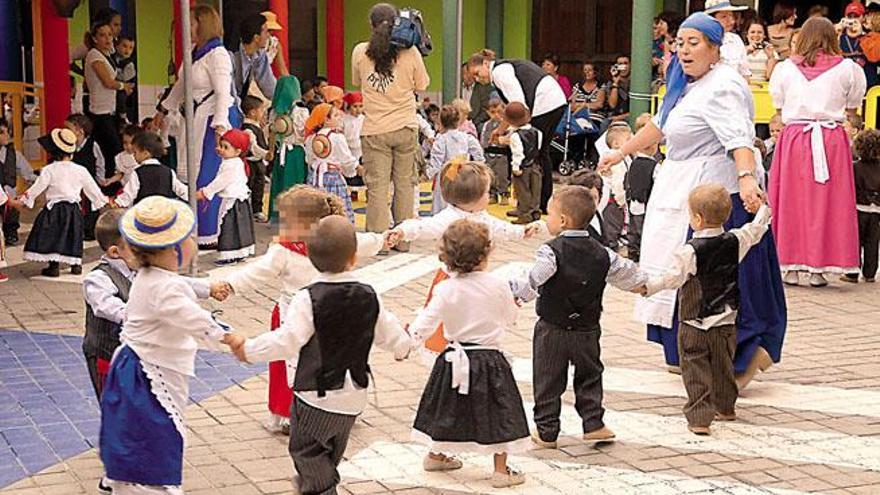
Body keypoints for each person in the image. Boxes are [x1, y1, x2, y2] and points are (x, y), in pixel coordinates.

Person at [598, 12, 786, 391]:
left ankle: (743, 356)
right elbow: (661, 124)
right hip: (680, 187)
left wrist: (747, 179)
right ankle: (683, 350)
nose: (683, 50)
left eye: (693, 42)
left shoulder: (724, 85)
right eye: (679, 42)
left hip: (715, 195)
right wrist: (621, 153)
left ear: (715, 48)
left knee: (713, 279)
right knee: (677, 271)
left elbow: (739, 138)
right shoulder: (687, 84)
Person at [224, 215, 411, 495]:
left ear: (310, 257)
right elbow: (389, 332)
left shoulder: (307, 298)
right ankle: (315, 484)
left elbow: (286, 341)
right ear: (353, 258)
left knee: (306, 452)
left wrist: (248, 349)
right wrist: (404, 346)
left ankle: (320, 488)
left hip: (315, 395)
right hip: (354, 395)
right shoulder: (370, 294)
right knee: (329, 454)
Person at [212, 187, 384, 434]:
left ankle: (333, 407)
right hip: (307, 315)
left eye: (287, 222)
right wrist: (231, 284)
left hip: (308, 313)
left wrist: (384, 239)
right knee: (296, 364)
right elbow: (257, 272)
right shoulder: (286, 249)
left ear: (310, 225)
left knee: (315, 363)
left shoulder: (326, 244)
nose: (282, 229)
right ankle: (292, 413)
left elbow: (365, 242)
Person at [99, 196, 234, 495]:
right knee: (155, 435)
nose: (195, 241)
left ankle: (122, 480)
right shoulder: (164, 285)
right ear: (175, 249)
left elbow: (185, 290)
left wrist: (209, 290)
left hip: (139, 367)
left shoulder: (153, 275)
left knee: (140, 433)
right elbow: (192, 317)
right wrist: (227, 337)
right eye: (191, 237)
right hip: (146, 373)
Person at [510, 185, 646, 450]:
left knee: (548, 378)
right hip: (587, 327)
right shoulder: (603, 252)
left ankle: (547, 431)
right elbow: (627, 273)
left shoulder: (550, 251)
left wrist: (516, 297)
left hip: (552, 327)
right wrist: (645, 286)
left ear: (562, 221)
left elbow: (535, 278)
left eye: (549, 214)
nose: (547, 219)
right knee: (590, 374)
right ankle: (594, 424)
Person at [639, 185, 772, 435]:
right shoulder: (735, 239)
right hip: (726, 320)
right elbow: (755, 231)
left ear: (697, 219)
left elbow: (672, 278)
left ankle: (700, 417)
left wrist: (648, 287)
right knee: (723, 365)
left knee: (695, 367)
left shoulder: (689, 251)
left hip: (694, 322)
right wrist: (762, 209)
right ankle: (725, 407)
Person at [409, 219, 529, 489]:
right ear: (485, 253)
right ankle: (500, 469)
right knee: (499, 410)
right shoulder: (497, 284)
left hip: (453, 357)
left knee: (446, 407)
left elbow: (425, 324)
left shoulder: (445, 288)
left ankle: (435, 453)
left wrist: (408, 342)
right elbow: (511, 317)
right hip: (489, 359)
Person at [386, 160, 539, 355]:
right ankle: (438, 347)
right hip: (453, 276)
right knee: (442, 316)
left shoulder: (482, 216)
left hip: (473, 276)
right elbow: (423, 227)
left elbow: (501, 228)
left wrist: (521, 231)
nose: (488, 196)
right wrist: (402, 231)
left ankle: (456, 343)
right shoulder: (448, 218)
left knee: (467, 314)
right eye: (486, 193)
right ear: (472, 198)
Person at [769, 17, 867, 288]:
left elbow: (779, 108)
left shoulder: (784, 69)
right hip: (830, 138)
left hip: (794, 138)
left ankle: (788, 265)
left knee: (791, 199)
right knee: (827, 202)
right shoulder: (848, 68)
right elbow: (852, 110)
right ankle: (818, 269)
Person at [154, 5, 240, 247]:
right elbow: (181, 86)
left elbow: (224, 92)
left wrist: (221, 127)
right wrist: (162, 110)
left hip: (215, 119)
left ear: (203, 25)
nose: (188, 27)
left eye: (192, 22)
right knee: (189, 171)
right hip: (196, 117)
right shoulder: (194, 51)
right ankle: (192, 226)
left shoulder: (218, 54)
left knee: (207, 176)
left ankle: (208, 233)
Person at [352, 2, 430, 239]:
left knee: (377, 187)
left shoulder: (359, 51)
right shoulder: (411, 51)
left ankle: (377, 240)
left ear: (371, 24)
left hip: (374, 129)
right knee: (405, 185)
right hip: (405, 125)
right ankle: (403, 240)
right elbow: (423, 84)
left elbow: (357, 82)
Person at [467, 48, 567, 214]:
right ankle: (537, 203)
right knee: (540, 154)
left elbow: (518, 107)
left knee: (531, 156)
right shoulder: (501, 71)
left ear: (485, 63)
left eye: (477, 73)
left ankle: (534, 205)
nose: (478, 79)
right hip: (551, 103)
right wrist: (501, 130)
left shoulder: (500, 72)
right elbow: (515, 109)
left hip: (545, 105)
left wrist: (509, 133)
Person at [17, 129, 108, 277]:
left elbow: (37, 188)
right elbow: (92, 189)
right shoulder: (80, 170)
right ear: (71, 152)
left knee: (54, 234)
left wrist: (24, 199)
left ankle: (54, 266)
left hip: (54, 209)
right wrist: (102, 201)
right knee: (75, 234)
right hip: (73, 209)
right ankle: (76, 264)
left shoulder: (49, 170)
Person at [196, 129, 256, 264]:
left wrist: (205, 192)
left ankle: (229, 255)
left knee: (229, 228)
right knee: (239, 228)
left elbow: (221, 182)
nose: (221, 149)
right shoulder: (235, 162)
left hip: (233, 201)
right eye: (221, 146)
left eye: (225, 147)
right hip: (239, 200)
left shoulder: (231, 164)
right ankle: (240, 252)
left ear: (237, 151)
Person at [84, 17, 130, 178]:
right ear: (95, 38)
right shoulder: (94, 55)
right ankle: (109, 186)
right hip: (99, 112)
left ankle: (109, 184)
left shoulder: (107, 55)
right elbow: (108, 82)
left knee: (110, 151)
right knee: (113, 151)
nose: (107, 38)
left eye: (110, 35)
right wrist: (124, 86)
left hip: (109, 111)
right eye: (102, 35)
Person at [304, 103, 358, 224]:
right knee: (337, 210)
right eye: (336, 115)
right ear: (326, 120)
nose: (340, 117)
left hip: (314, 178)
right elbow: (347, 159)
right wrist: (356, 168)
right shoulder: (337, 137)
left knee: (316, 210)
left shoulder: (311, 138)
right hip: (333, 178)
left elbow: (309, 160)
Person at [426, 106, 484, 215]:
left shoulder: (441, 140)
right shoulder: (467, 138)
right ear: (458, 121)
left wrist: (429, 173)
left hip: (446, 174)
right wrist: (478, 167)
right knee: (463, 201)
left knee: (443, 205)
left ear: (441, 122)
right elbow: (478, 153)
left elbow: (436, 161)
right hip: (463, 173)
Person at [268, 76, 309, 221]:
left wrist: (270, 151)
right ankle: (295, 216)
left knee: (280, 183)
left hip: (281, 152)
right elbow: (304, 134)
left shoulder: (274, 113)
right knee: (295, 184)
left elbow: (272, 134)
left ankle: (278, 215)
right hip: (296, 152)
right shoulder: (301, 112)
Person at [842, 128, 880, 284]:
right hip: (877, 210)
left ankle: (852, 273)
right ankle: (870, 273)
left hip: (858, 208)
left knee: (855, 242)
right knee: (873, 242)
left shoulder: (854, 167)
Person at [114, 132, 188, 208]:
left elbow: (128, 194)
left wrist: (117, 203)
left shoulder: (138, 173)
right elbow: (182, 190)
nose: (133, 155)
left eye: (135, 152)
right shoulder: (169, 172)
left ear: (146, 153)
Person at [624, 114, 658, 262]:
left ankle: (633, 252)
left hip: (633, 200)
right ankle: (643, 253)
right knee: (644, 229)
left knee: (633, 228)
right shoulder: (655, 167)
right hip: (647, 202)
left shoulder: (632, 163)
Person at [504, 102, 543, 225]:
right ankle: (535, 211)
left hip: (522, 167)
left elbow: (518, 153)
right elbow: (538, 147)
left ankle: (525, 213)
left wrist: (516, 167)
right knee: (535, 189)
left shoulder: (516, 136)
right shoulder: (538, 132)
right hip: (535, 164)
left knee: (523, 190)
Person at [0, 118, 35, 246]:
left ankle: (11, 231)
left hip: (10, 194)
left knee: (12, 211)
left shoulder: (15, 155)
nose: (6, 135)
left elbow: (28, 174)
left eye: (6, 131)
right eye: (2, 132)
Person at [233, 12, 277, 101]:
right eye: (266, 32)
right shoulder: (231, 55)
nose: (269, 36)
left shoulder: (259, 54)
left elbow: (269, 85)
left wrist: (281, 101)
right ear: (256, 38)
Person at [241, 95, 270, 223]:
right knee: (248, 186)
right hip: (250, 163)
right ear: (252, 112)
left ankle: (257, 209)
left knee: (259, 186)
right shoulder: (248, 129)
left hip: (258, 163)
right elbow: (253, 147)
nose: (263, 113)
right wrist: (265, 154)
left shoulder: (256, 126)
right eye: (261, 110)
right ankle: (246, 210)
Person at [705, 0, 751, 80]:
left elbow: (745, 73)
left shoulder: (735, 40)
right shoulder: (702, 40)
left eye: (731, 15)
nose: (731, 20)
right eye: (724, 17)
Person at [568, 169, 613, 248]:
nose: (589, 203)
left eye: (594, 198)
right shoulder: (573, 225)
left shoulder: (597, 214)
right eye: (583, 198)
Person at [481, 99, 510, 205]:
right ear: (488, 112)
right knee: (490, 175)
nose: (496, 115)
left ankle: (504, 194)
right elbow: (483, 138)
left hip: (502, 154)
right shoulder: (486, 125)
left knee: (502, 175)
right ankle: (492, 194)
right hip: (489, 154)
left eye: (499, 112)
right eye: (493, 112)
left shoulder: (506, 126)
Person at [102, 125, 142, 190]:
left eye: (132, 143)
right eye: (125, 143)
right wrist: (110, 180)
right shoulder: (120, 157)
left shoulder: (142, 156)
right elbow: (121, 174)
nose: (128, 146)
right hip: (126, 189)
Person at [114, 35, 138, 125]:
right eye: (124, 46)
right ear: (117, 46)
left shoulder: (129, 64)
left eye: (131, 48)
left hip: (126, 89)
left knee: (121, 96)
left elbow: (123, 79)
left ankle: (123, 116)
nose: (127, 50)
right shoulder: (113, 59)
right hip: (115, 87)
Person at [602, 55, 632, 125]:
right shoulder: (611, 83)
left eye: (625, 63)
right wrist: (615, 83)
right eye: (620, 64)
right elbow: (612, 105)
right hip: (614, 115)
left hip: (630, 116)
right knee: (605, 124)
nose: (623, 67)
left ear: (630, 65)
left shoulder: (635, 82)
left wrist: (620, 117)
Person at [840, 2, 868, 70]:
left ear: (864, 18)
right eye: (850, 17)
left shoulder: (870, 37)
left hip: (867, 78)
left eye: (856, 16)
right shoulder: (838, 37)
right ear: (845, 17)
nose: (853, 19)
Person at [261, 11, 290, 77]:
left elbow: (283, 69)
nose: (269, 33)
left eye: (271, 30)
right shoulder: (252, 42)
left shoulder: (275, 44)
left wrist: (290, 83)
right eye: (268, 30)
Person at [342, 92, 365, 165]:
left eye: (360, 106)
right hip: (348, 152)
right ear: (349, 106)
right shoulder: (344, 120)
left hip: (362, 152)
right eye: (355, 106)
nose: (358, 110)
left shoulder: (364, 119)